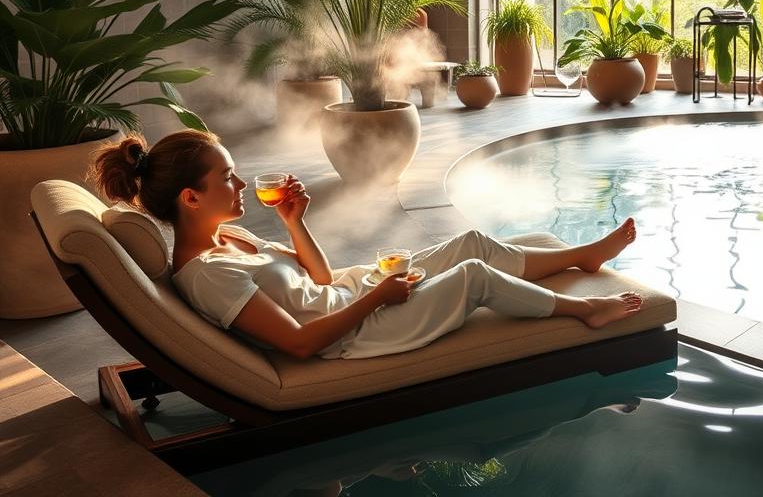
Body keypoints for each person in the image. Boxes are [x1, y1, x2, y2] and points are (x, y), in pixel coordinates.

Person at [91, 130, 644, 361]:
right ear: (191, 197)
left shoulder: (227, 236)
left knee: (471, 239)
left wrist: (293, 222)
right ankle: (585, 310)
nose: (239, 186)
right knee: (473, 273)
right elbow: (302, 344)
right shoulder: (208, 275)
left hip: (352, 295)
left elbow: (322, 282)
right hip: (359, 331)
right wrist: (378, 300)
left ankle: (581, 256)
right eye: (228, 179)